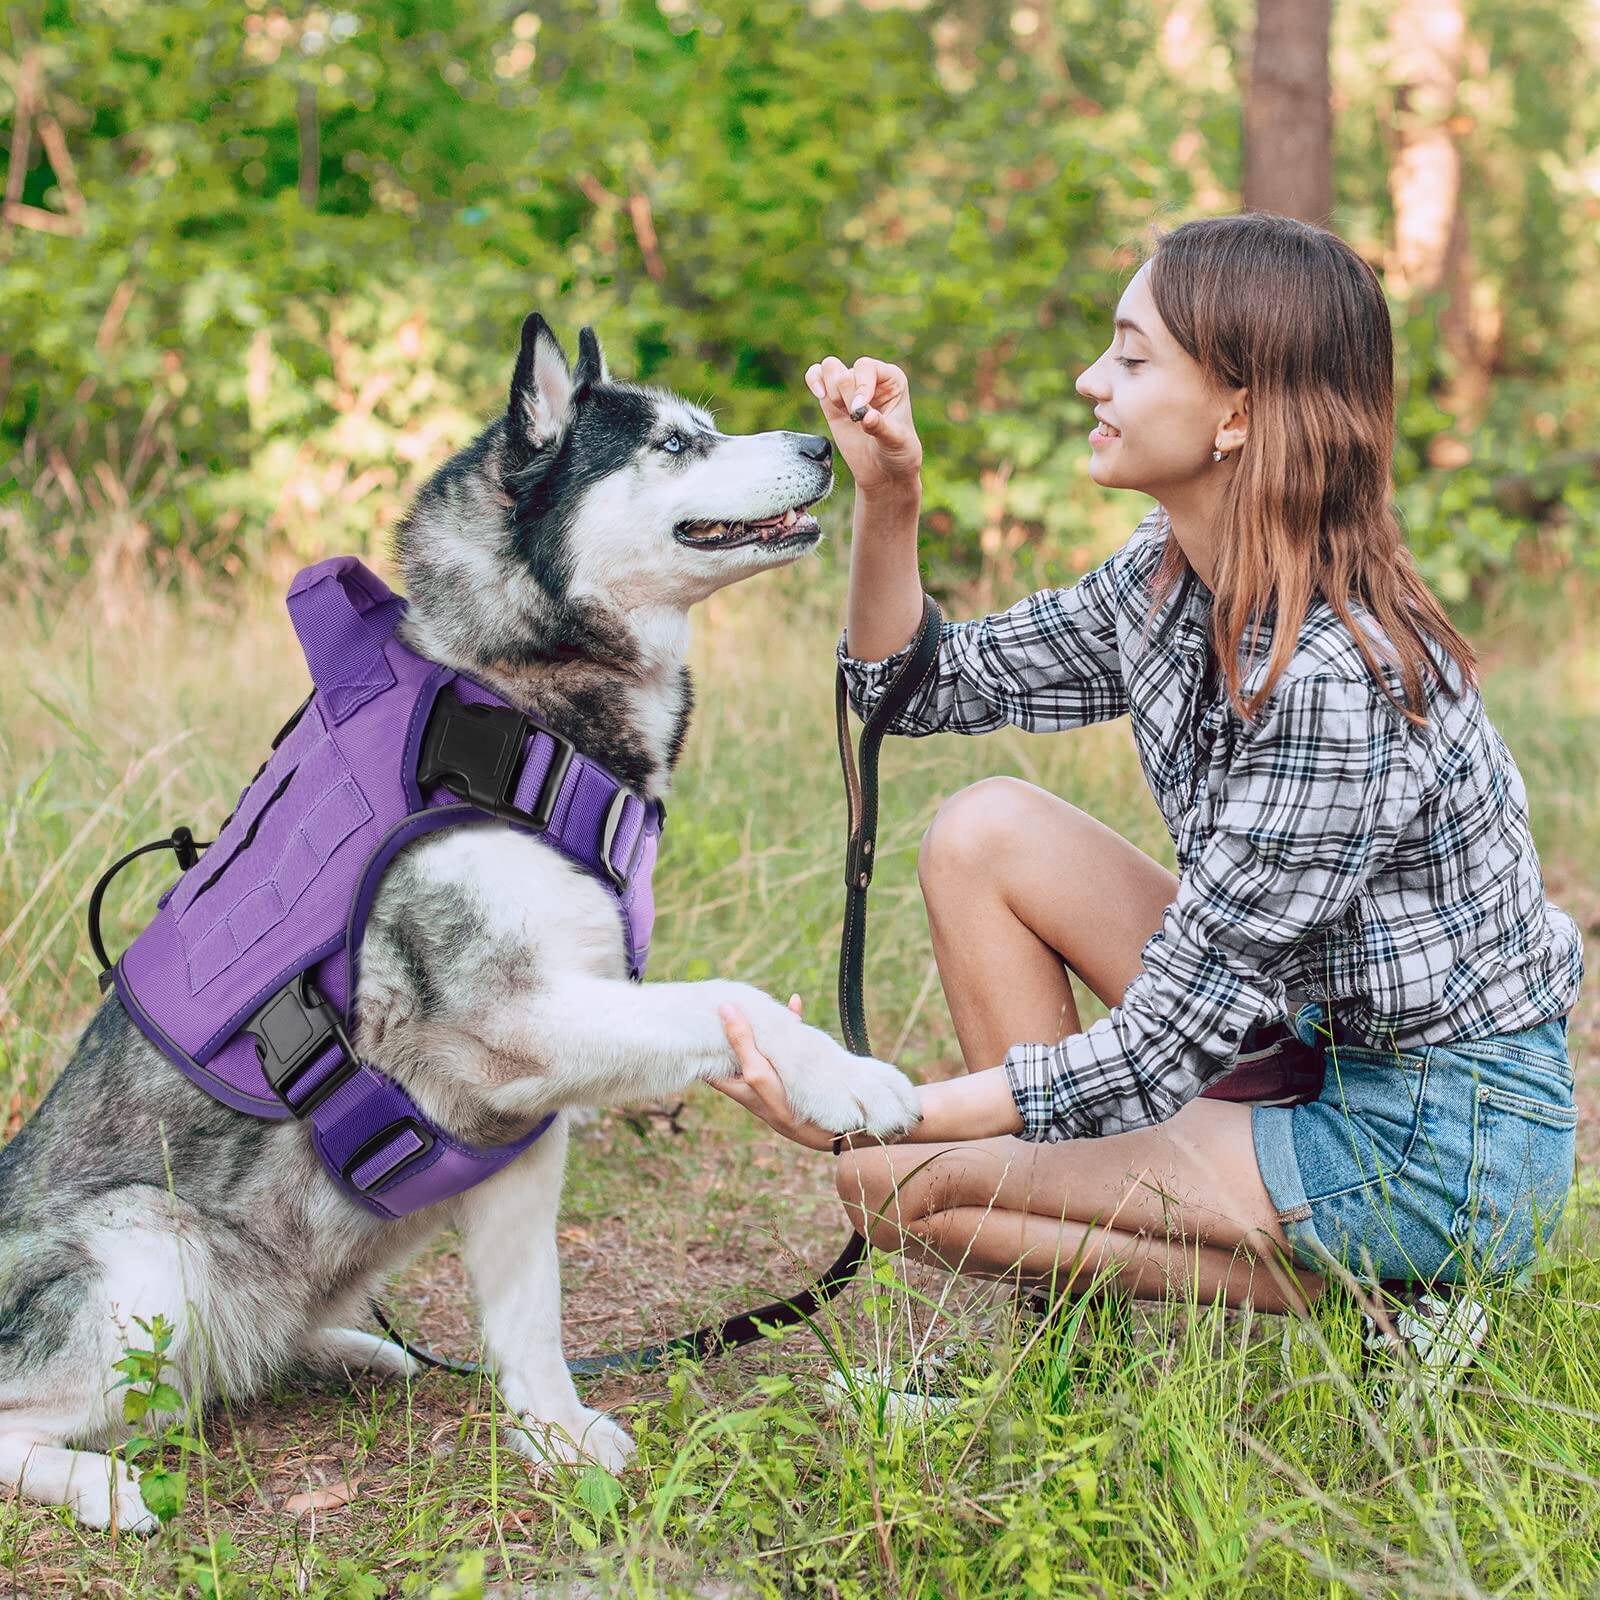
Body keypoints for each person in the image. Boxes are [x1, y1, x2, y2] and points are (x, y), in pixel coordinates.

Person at [712, 214, 1582, 1357]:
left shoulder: (1339, 676)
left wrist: (865, 1106)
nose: (1090, 379)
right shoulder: (1166, 575)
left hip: (1436, 1136)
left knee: (895, 1184)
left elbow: (1152, 1051)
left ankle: (1392, 1300)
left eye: (1129, 357)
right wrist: (891, 498)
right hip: (1308, 1034)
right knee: (985, 830)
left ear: (1237, 413)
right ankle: (1080, 1347)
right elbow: (912, 692)